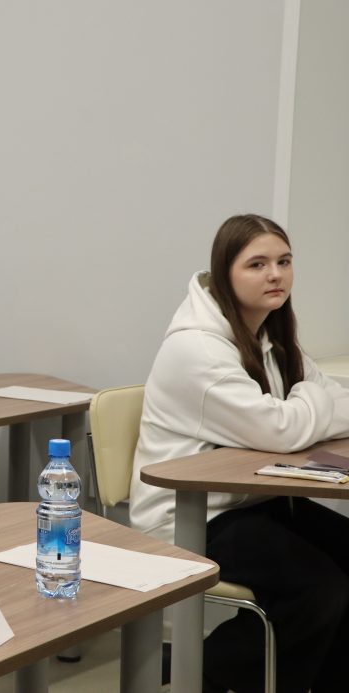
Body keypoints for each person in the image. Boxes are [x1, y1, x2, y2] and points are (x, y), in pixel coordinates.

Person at [128, 214, 349, 693]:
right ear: (225, 273)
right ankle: (207, 672)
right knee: (318, 588)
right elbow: (282, 429)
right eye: (257, 264)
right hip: (190, 516)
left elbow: (330, 404)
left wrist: (304, 404)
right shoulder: (197, 350)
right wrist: (308, 402)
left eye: (284, 262)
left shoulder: (271, 334)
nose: (275, 274)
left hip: (253, 501)